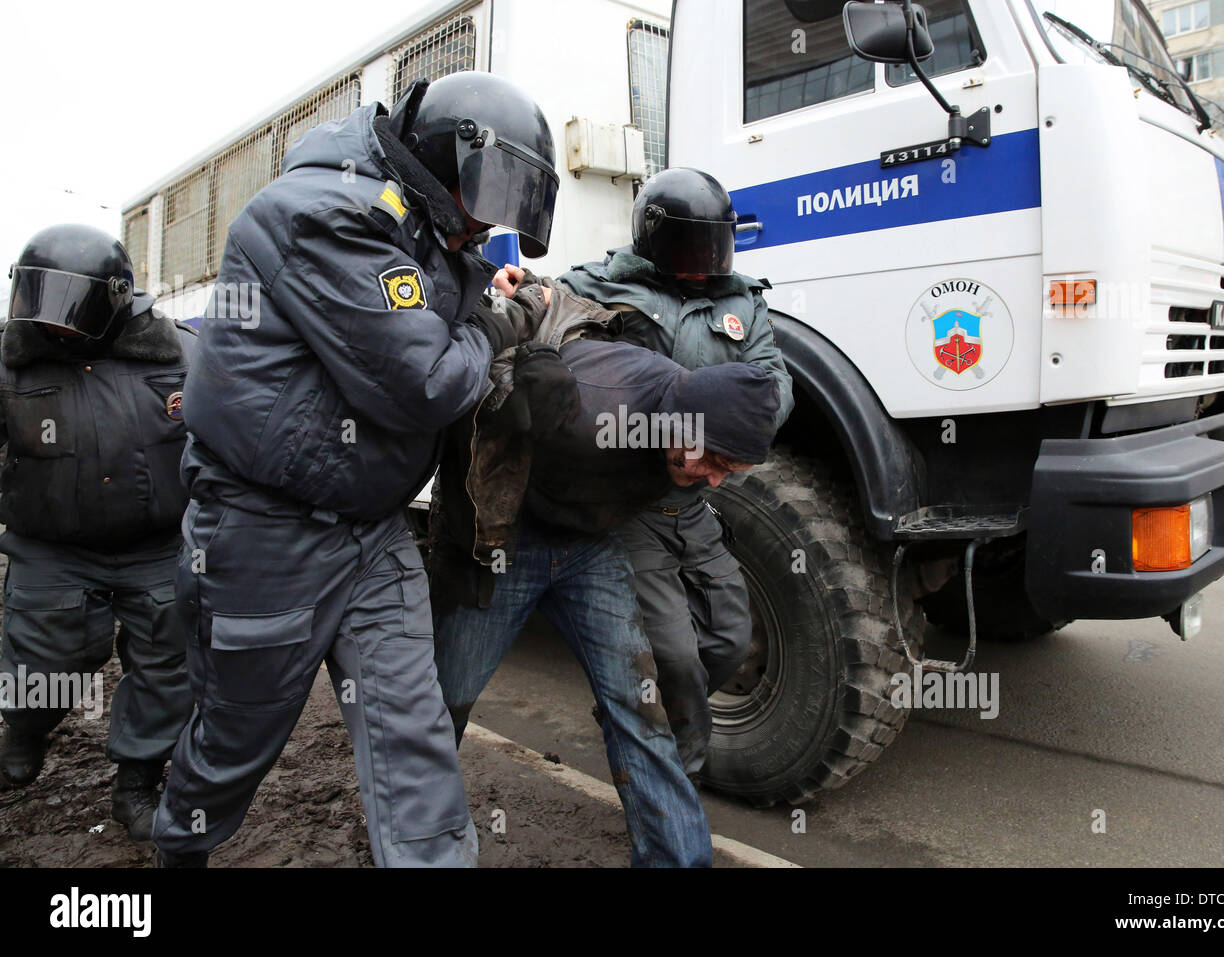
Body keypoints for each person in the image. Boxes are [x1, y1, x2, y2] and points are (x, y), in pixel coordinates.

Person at [150, 71, 560, 868]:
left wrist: (480, 293)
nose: (487, 223)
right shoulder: (323, 212)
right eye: (485, 197)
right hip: (266, 528)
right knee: (239, 735)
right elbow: (430, 381)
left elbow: (434, 326)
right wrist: (502, 316)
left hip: (371, 531)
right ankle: (179, 849)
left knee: (416, 738)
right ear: (446, 162)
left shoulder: (425, 228)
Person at [430, 273, 782, 867]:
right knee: (445, 701)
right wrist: (515, 381)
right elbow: (457, 406)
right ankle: (415, 841)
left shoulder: (687, 434)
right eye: (715, 461)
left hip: (591, 548)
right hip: (509, 543)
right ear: (683, 423)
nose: (716, 480)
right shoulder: (595, 407)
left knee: (641, 708)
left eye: (731, 471)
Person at [556, 167, 794, 779]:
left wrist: (728, 420)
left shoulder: (743, 300)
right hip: (632, 505)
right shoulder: (598, 285)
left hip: (696, 504)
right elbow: (553, 336)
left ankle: (637, 704)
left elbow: (774, 382)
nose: (703, 261)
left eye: (713, 246)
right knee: (676, 656)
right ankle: (674, 775)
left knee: (730, 641)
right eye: (690, 247)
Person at [0, 224, 196, 842]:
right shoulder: (11, 365)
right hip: (51, 548)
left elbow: (229, 441)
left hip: (157, 548)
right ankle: (26, 731)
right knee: (45, 655)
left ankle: (137, 779)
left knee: (170, 667)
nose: (54, 325)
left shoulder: (181, 356)